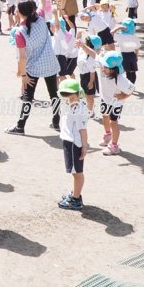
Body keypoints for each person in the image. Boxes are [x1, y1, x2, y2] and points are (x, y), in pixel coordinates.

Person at [7, 0, 61, 134]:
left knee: (27, 98)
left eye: (17, 10)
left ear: (22, 13)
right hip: (51, 63)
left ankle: (20, 126)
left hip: (33, 68)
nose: (16, 12)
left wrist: (23, 75)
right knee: (54, 95)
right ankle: (57, 122)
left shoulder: (19, 32)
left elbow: (22, 57)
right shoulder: (40, 17)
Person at [57, 78, 89, 210]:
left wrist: (84, 146)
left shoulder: (79, 109)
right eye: (64, 94)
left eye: (68, 94)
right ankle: (75, 193)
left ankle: (76, 199)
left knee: (77, 172)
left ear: (77, 93)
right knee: (74, 171)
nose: (66, 97)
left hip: (74, 143)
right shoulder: (68, 102)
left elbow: (83, 129)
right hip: (68, 141)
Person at [96, 51, 135, 155]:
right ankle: (108, 135)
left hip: (116, 103)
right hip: (105, 99)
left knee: (113, 122)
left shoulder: (121, 79)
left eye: (105, 67)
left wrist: (124, 96)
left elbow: (132, 88)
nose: (102, 68)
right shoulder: (104, 69)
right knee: (104, 116)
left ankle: (114, 146)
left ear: (113, 69)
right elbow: (93, 54)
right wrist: (82, 45)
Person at [112, 18, 140, 85]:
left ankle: (127, 86)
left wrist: (118, 27)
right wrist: (136, 56)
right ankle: (132, 85)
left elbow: (111, 33)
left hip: (124, 55)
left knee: (125, 71)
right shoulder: (134, 37)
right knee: (132, 72)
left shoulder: (120, 36)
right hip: (132, 55)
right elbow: (137, 48)